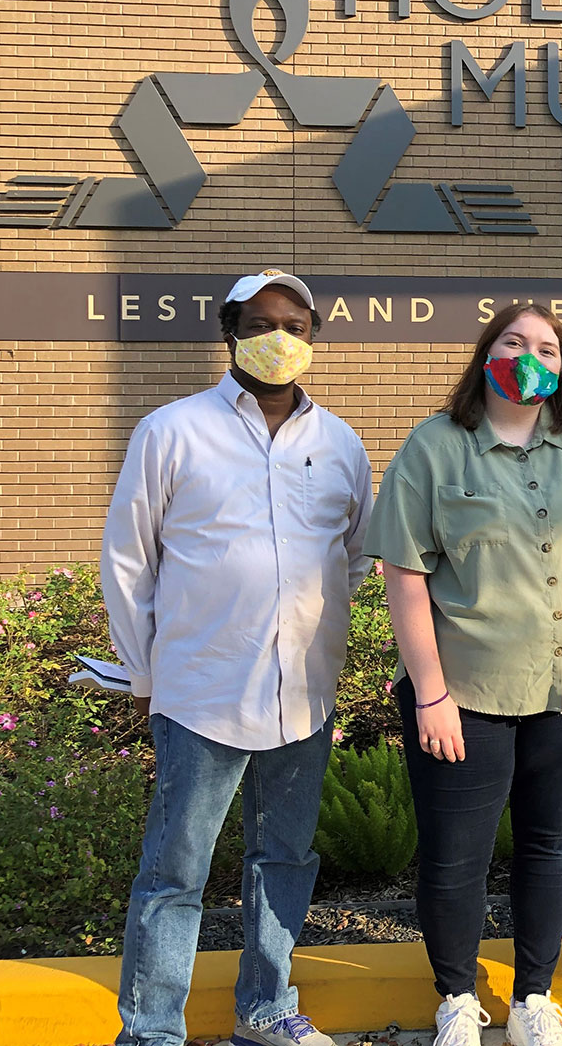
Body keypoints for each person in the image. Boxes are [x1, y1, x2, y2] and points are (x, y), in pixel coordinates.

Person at [101, 269, 374, 1046]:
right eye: (259, 323)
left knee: (283, 861)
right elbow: (128, 559)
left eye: (294, 324)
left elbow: (355, 554)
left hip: (304, 697)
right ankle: (152, 1030)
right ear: (230, 332)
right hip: (200, 694)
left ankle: (266, 1008)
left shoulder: (340, 443)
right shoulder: (173, 430)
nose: (277, 338)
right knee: (174, 875)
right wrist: (147, 671)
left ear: (314, 338)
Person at [364, 304, 562, 1046]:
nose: (529, 356)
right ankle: (456, 997)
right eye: (513, 342)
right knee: (458, 856)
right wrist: (430, 694)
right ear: (485, 352)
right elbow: (405, 573)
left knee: (552, 845)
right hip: (464, 693)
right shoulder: (434, 447)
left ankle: (532, 1000)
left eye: (546, 346)